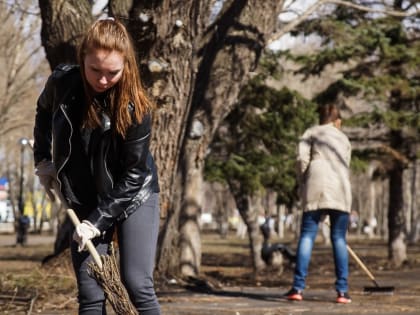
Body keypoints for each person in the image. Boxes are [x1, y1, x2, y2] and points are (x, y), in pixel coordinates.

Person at [33, 18, 161, 315]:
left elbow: (134, 174)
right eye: (95, 70)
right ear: (82, 59)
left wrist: (98, 221)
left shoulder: (136, 108)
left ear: (126, 65)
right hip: (82, 194)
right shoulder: (62, 83)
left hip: (132, 195)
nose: (103, 80)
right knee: (90, 290)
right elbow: (42, 111)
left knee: (136, 282)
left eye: (112, 72)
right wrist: (43, 159)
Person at [285, 104, 352, 304]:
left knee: (307, 236)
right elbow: (346, 164)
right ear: (337, 121)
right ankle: (342, 291)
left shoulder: (311, 133)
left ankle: (297, 288)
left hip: (316, 183)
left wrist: (303, 182)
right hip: (341, 188)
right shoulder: (344, 138)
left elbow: (301, 160)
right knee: (339, 239)